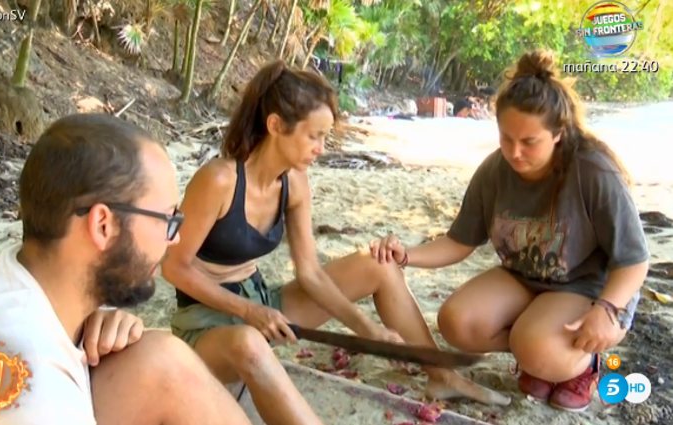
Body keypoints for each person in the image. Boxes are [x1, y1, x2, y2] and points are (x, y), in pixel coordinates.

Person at [161, 60, 509, 425]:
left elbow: (310, 272)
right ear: (276, 125)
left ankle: (441, 374)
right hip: (205, 324)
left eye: (326, 136)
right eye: (314, 136)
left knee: (378, 266)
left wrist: (368, 331)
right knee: (249, 344)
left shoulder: (294, 182)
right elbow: (173, 267)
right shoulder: (219, 180)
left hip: (264, 304)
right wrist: (249, 313)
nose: (321, 148)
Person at [0, 114, 251, 425]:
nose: (175, 237)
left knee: (163, 359)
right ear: (103, 225)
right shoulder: (31, 390)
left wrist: (95, 318)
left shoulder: (16, 288)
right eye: (168, 219)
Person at [370, 50, 649, 412]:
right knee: (457, 322)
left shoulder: (593, 171)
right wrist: (407, 254)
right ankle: (539, 347)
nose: (515, 153)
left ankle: (581, 363)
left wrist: (609, 310)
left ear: (558, 134)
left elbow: (634, 260)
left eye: (529, 142)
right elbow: (459, 241)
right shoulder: (494, 170)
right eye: (506, 138)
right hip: (523, 279)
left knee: (536, 347)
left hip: (587, 289)